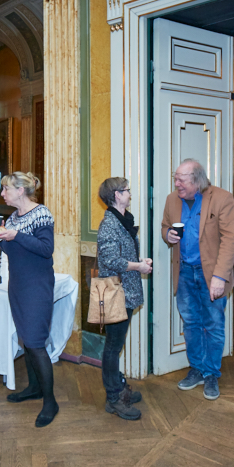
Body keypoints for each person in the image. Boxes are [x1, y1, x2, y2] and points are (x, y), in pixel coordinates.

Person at [161, 159, 234, 400]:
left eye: (181, 180)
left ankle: (211, 373)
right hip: (184, 272)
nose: (176, 184)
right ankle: (196, 368)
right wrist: (168, 235)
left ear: (197, 180)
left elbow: (230, 240)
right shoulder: (171, 200)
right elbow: (164, 226)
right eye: (175, 178)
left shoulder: (222, 199)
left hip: (212, 274)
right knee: (191, 323)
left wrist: (220, 276)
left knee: (213, 324)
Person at [0, 172, 58, 427]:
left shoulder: (41, 214)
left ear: (20, 191)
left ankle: (50, 402)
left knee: (36, 343)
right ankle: (34, 388)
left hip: (36, 286)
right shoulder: (13, 217)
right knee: (26, 341)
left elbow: (46, 249)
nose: (2, 194)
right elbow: (13, 251)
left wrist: (15, 235)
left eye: (6, 189)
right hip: (18, 285)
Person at [95, 177, 152, 420]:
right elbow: (111, 260)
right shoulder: (109, 223)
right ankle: (114, 399)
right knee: (113, 347)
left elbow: (124, 254)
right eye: (127, 190)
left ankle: (117, 388)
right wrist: (139, 266)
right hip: (114, 291)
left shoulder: (122, 219)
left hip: (123, 290)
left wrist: (140, 261)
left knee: (115, 345)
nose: (130, 193)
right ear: (117, 195)